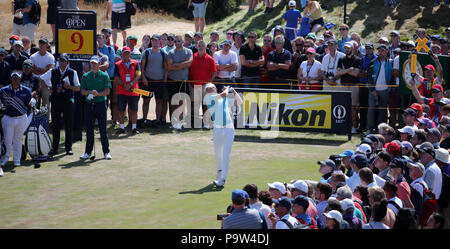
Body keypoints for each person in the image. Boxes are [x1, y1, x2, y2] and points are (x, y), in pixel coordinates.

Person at [40, 53, 80, 156]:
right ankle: (55, 148)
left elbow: (78, 88)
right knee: (55, 125)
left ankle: (68, 148)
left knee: (68, 125)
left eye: (64, 61)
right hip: (56, 101)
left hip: (68, 101)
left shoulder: (72, 72)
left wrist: (69, 87)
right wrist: (49, 88)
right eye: (60, 61)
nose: (62, 63)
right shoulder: (53, 71)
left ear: (67, 62)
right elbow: (41, 79)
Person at [205, 83, 242, 187]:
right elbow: (223, 95)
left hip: (229, 129)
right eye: (207, 89)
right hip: (217, 129)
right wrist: (227, 89)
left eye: (211, 88)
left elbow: (239, 102)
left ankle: (222, 179)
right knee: (218, 154)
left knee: (226, 154)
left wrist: (233, 91)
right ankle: (219, 175)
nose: (210, 90)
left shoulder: (224, 99)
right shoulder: (209, 98)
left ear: (215, 89)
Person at [80, 56, 112, 160]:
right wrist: (90, 92)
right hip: (89, 105)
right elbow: (82, 91)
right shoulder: (85, 76)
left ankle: (106, 152)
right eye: (92, 63)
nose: (93, 65)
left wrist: (98, 94)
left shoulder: (104, 75)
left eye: (95, 63)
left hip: (101, 104)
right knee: (89, 130)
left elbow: (107, 91)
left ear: (99, 64)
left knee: (103, 129)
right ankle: (87, 152)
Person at [0, 71, 32, 175]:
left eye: (17, 78)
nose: (15, 79)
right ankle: (5, 159)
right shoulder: (4, 90)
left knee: (18, 139)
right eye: (13, 77)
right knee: (7, 139)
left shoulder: (26, 90)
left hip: (21, 117)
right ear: (11, 79)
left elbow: (29, 102)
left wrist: (33, 102)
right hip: (8, 117)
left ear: (20, 79)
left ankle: (17, 160)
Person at [141, 35, 168, 129]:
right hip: (148, 80)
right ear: (151, 42)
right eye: (153, 41)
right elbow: (142, 67)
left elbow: (166, 67)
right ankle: (144, 119)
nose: (154, 42)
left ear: (159, 41)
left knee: (159, 101)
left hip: (160, 81)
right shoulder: (146, 52)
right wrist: (143, 78)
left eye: (156, 41)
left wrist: (165, 79)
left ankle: (157, 120)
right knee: (146, 100)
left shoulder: (163, 52)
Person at [189, 40, 216, 129]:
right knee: (195, 105)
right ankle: (196, 123)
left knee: (206, 105)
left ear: (205, 47)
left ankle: (206, 123)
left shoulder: (210, 59)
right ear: (196, 47)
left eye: (202, 46)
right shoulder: (193, 57)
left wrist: (209, 82)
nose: (200, 47)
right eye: (199, 45)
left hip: (205, 86)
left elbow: (214, 72)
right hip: (194, 85)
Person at [366, 44, 393, 134]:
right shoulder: (373, 62)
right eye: (379, 50)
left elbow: (392, 76)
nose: (380, 52)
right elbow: (369, 77)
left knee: (383, 111)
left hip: (385, 90)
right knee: (371, 110)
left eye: (382, 50)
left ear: (386, 51)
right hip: (373, 90)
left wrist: (389, 88)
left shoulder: (390, 62)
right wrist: (372, 89)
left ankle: (381, 130)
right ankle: (369, 129)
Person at [166, 35, 193, 123]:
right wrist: (183, 65)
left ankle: (180, 120)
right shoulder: (171, 53)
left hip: (183, 80)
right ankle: (174, 120)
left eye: (178, 41)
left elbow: (189, 64)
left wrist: (177, 64)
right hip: (172, 80)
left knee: (181, 101)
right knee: (173, 101)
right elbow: (169, 67)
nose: (177, 43)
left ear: (182, 42)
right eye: (175, 41)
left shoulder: (188, 51)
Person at [114, 46, 141, 135]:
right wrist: (124, 84)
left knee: (134, 110)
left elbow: (138, 75)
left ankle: (134, 127)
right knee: (121, 110)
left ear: (130, 54)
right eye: (124, 53)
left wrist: (130, 84)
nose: (126, 54)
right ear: (122, 54)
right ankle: (122, 127)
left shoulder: (136, 63)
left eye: (127, 53)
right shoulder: (117, 64)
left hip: (133, 90)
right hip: (121, 90)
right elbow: (116, 77)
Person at [337, 41, 361, 133]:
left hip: (354, 86)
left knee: (353, 108)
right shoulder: (341, 59)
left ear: (352, 49)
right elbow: (339, 72)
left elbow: (356, 74)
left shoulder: (357, 59)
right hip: (344, 85)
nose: (347, 50)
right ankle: (345, 126)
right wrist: (350, 69)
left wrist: (344, 70)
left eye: (349, 48)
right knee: (344, 107)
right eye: (346, 48)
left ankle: (354, 127)